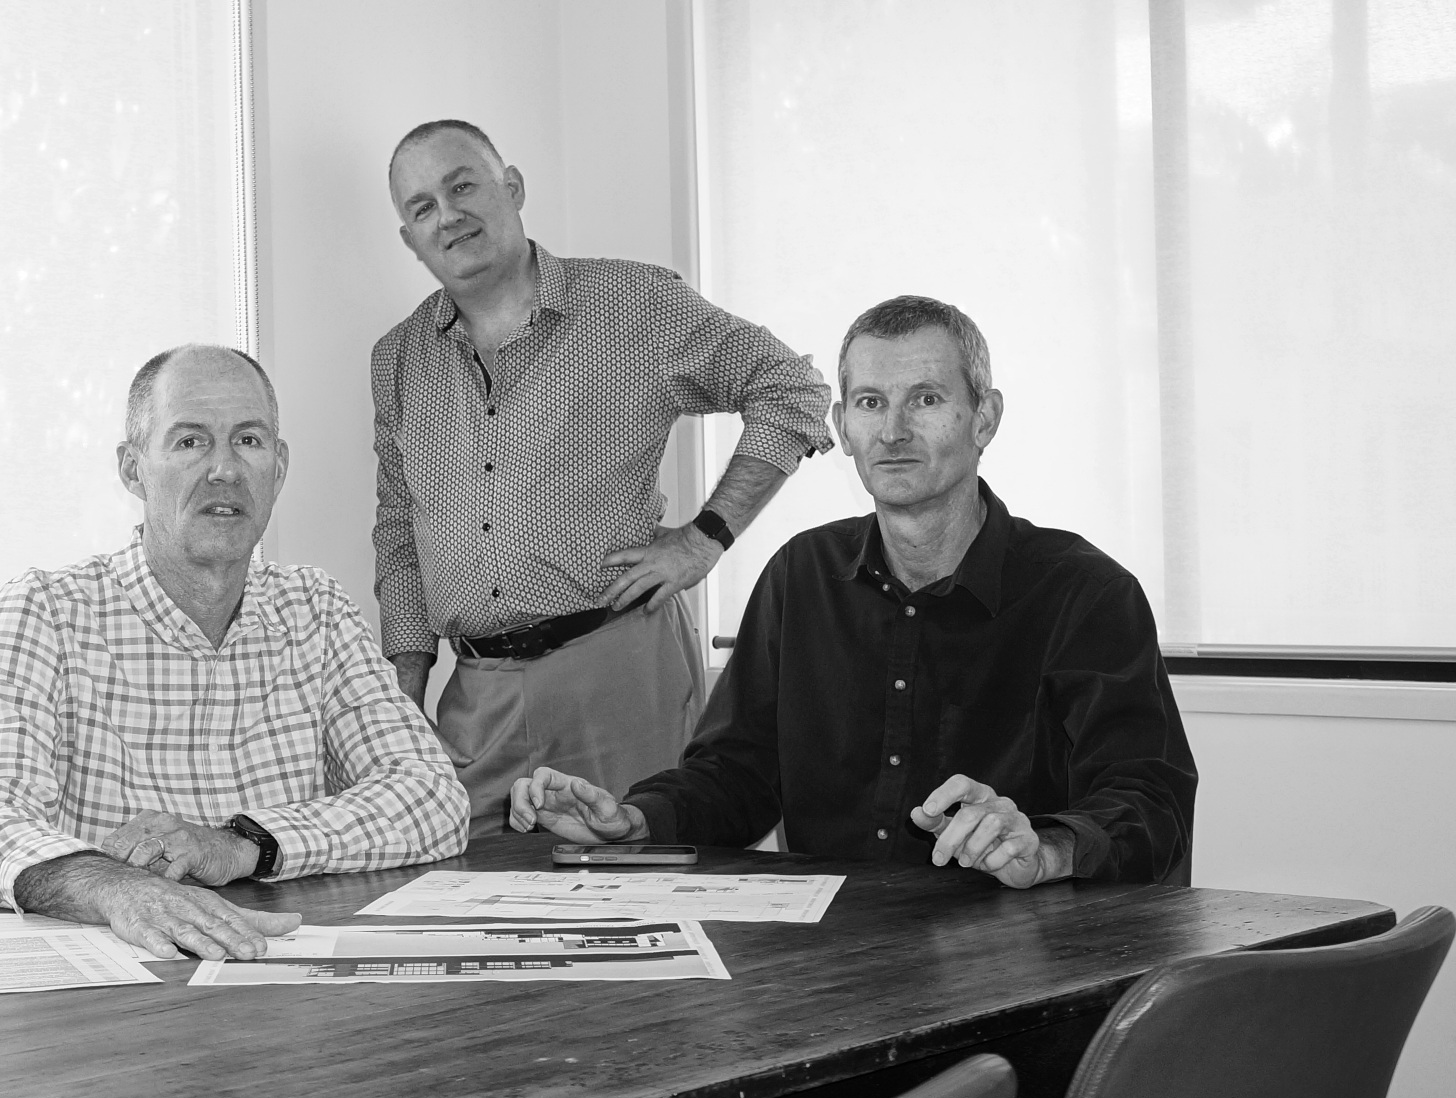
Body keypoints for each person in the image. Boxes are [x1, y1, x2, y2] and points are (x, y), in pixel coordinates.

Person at [509, 296, 1197, 887]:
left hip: (1016, 958)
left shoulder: (1086, 593)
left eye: (926, 399)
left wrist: (1046, 847)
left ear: (984, 419)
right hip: (833, 960)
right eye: (871, 403)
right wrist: (635, 818)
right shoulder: (799, 576)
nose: (893, 430)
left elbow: (1151, 799)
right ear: (842, 428)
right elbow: (736, 776)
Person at [373, 119, 837, 839]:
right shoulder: (397, 358)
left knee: (648, 896)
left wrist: (705, 538)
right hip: (478, 702)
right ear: (409, 238)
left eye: (462, 185)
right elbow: (400, 532)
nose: (448, 215)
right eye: (422, 206)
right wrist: (402, 705)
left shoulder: (632, 303)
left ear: (513, 187)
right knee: (467, 908)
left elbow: (792, 387)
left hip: (619, 674)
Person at [0, 344, 469, 959]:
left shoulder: (315, 609)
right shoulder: (47, 612)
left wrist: (243, 845)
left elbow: (432, 797)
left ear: (280, 465)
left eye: (248, 440)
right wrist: (120, 889)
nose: (224, 470)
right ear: (133, 469)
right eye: (190, 441)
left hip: (282, 973)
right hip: (119, 990)